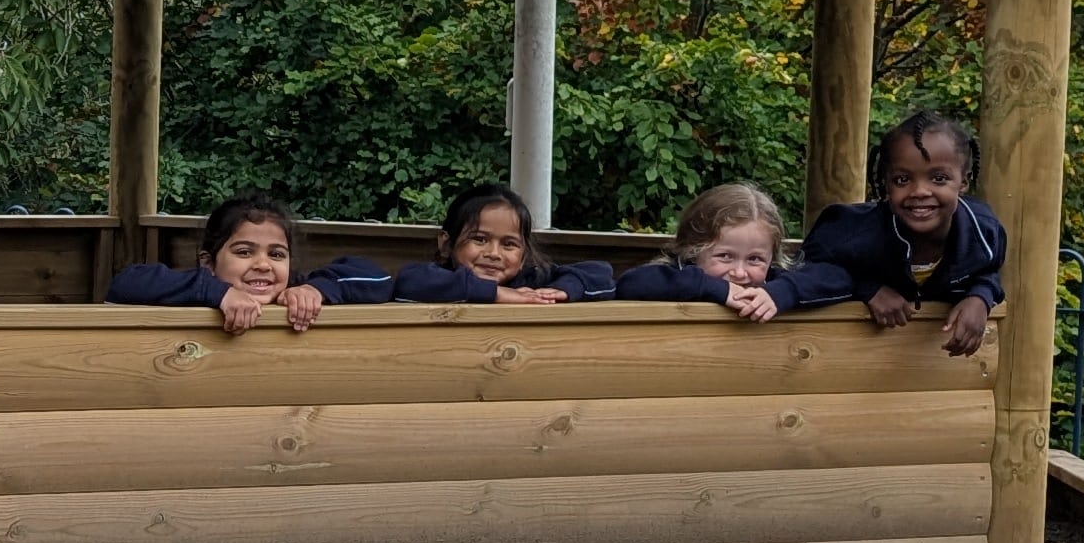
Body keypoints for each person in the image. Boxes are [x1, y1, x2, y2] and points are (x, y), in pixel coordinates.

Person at [801, 106, 1005, 358]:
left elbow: (987, 270)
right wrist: (867, 288)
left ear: (963, 181)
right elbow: (807, 260)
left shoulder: (982, 231)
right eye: (902, 180)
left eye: (939, 178)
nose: (920, 191)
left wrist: (981, 297)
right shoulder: (855, 232)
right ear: (886, 183)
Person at [610, 181, 849, 322]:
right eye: (725, 256)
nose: (739, 272)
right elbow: (630, 283)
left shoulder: (772, 281)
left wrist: (782, 292)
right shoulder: (679, 275)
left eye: (755, 259)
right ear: (694, 251)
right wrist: (717, 289)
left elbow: (840, 278)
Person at [354, 183, 619, 306]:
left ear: (524, 252)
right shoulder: (436, 279)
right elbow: (408, 282)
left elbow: (601, 274)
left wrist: (562, 290)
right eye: (479, 239)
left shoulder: (532, 282)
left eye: (509, 244)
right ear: (446, 244)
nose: (493, 253)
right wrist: (497, 294)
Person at [105, 193, 333, 335]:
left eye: (276, 255)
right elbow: (124, 283)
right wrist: (220, 293)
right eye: (244, 252)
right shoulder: (196, 288)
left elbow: (366, 274)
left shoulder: (295, 288)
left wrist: (316, 290)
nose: (263, 265)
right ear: (208, 262)